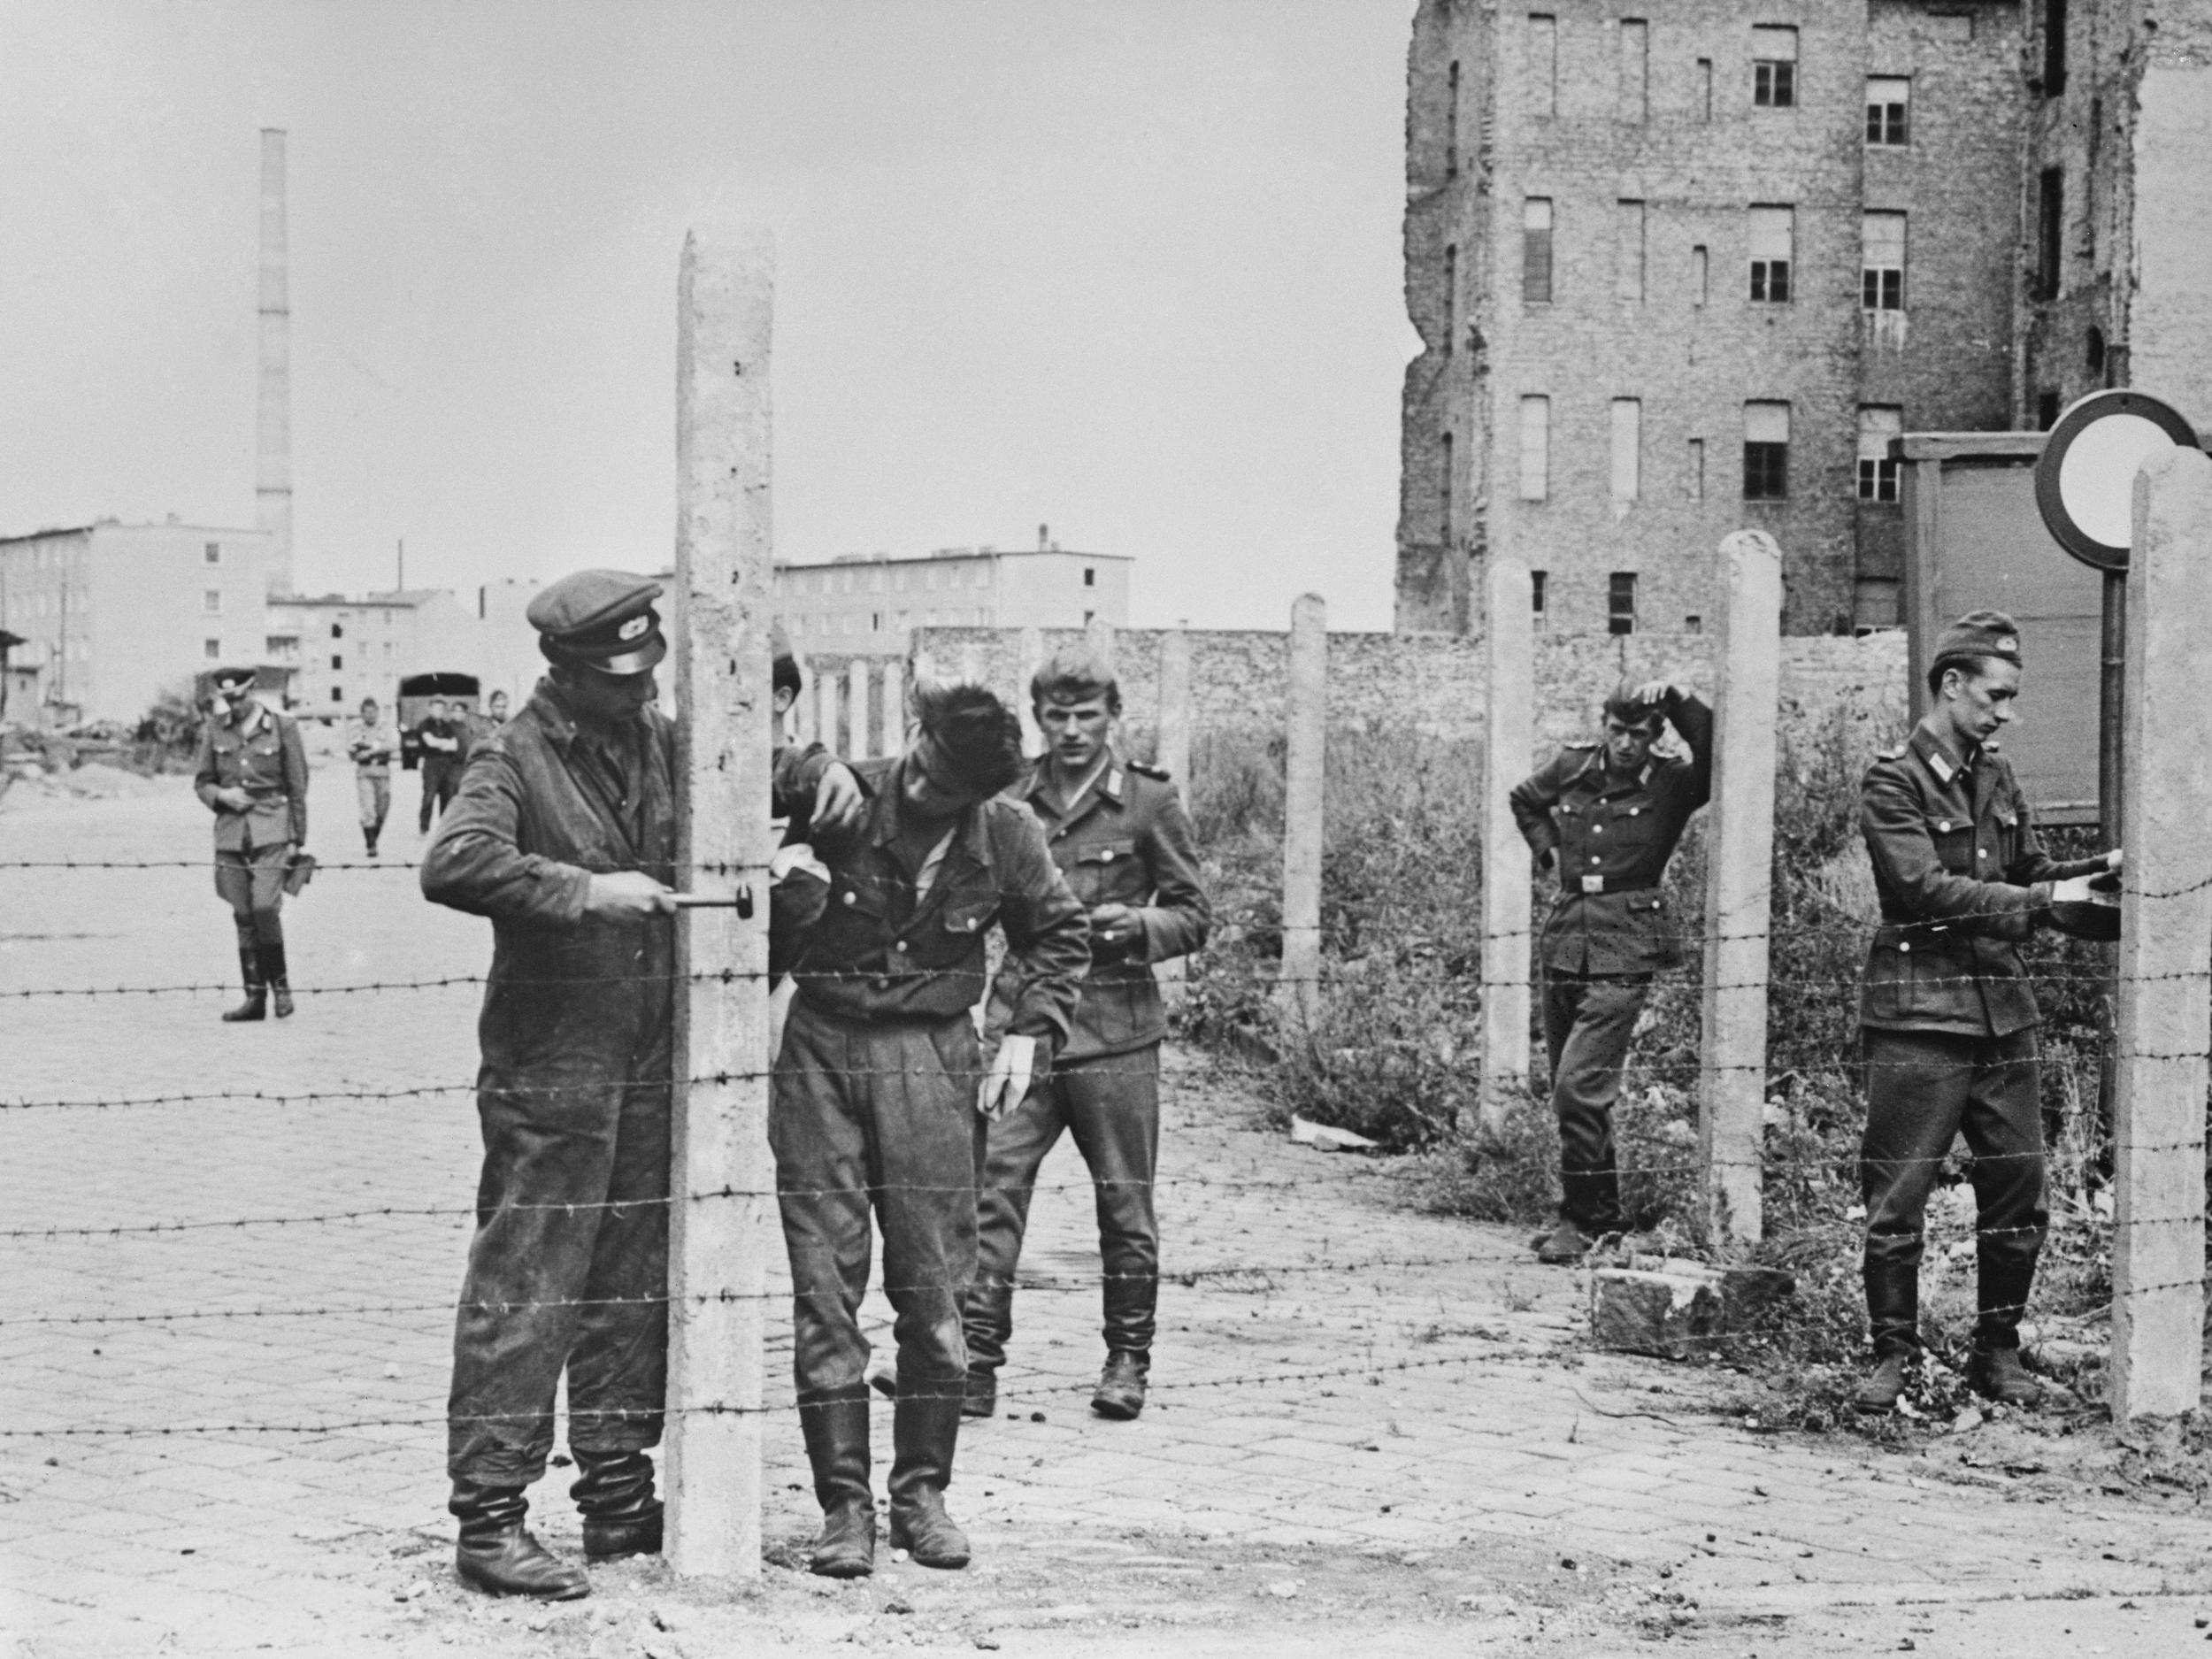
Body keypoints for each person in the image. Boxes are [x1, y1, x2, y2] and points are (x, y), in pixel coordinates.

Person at [421, 568, 861, 1599]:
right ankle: (489, 1519)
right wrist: (580, 891)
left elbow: (757, 770)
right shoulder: (511, 755)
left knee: (627, 1288)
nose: (639, 693)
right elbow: (454, 861)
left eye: (645, 673)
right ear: (562, 673)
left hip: (649, 1064)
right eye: (615, 680)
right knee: (528, 1288)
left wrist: (820, 770)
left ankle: (617, 1502)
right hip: (553, 1071)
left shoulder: (657, 741)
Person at [772, 683, 1089, 1579]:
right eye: (917, 765)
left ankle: (920, 1495)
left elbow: (1059, 937)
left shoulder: (1008, 836)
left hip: (932, 1057)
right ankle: (843, 1508)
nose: (918, 791)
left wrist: (1026, 1034)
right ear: (910, 736)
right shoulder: (843, 796)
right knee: (824, 1288)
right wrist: (803, 765)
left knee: (935, 1290)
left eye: (943, 787)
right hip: (823, 1051)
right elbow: (734, 770)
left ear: (978, 793)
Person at [1853, 611, 2119, 1414]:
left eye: (2011, 698)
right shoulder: (1893, 779)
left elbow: (2028, 866)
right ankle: (1893, 1354)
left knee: (2019, 1192)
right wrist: (2043, 901)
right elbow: (1923, 891)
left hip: (2003, 1012)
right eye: (1994, 696)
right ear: (1952, 684)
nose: (2004, 712)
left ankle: (1995, 1351)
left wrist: (2098, 869)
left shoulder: (1994, 774)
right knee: (1899, 1197)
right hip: (1920, 1014)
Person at [959, 645, 1210, 1423]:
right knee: (990, 1193)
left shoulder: (1147, 802)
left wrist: (1135, 924)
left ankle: (1127, 1360)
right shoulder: (1010, 798)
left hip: (1117, 1029)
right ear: (1036, 718)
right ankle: (972, 1361)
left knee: (1124, 1205)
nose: (1071, 730)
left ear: (1113, 715)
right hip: (1025, 1032)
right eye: (1057, 715)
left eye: (1087, 714)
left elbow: (1195, 913)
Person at [1509, 676, 1713, 1263]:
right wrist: (1547, 850)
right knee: (1570, 1088)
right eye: (1618, 730)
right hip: (1568, 932)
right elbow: (1524, 799)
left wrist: (1677, 698)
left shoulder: (1672, 783)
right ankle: (1581, 1213)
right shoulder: (1574, 767)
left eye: (1641, 734)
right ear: (1604, 726)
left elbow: (1719, 749)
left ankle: (1596, 1220)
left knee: (1579, 1084)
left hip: (1627, 938)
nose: (1627, 744)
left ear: (1656, 736)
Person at [193, 666, 309, 1022]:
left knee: (264, 908)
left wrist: (296, 839)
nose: (234, 704)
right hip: (230, 833)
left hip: (272, 828)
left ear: (253, 690)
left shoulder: (283, 726)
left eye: (240, 696)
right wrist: (222, 795)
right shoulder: (215, 729)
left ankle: (282, 988)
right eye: (228, 699)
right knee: (243, 916)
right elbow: (202, 782)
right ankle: (254, 999)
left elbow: (297, 786)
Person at [348, 695, 399, 857]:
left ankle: (373, 836)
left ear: (378, 712)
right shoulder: (356, 729)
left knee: (382, 809)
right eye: (366, 712)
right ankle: (371, 844)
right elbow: (351, 750)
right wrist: (358, 753)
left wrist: (371, 751)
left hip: (383, 772)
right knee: (368, 808)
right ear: (362, 714)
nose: (370, 715)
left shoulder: (386, 727)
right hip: (365, 773)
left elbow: (393, 745)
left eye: (373, 712)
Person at [417, 695, 465, 833]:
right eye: (437, 707)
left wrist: (439, 743)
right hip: (431, 764)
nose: (440, 711)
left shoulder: (447, 726)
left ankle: (444, 828)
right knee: (429, 797)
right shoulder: (425, 724)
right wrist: (444, 743)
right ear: (430, 709)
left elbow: (454, 746)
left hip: (447, 764)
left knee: (447, 796)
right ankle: (424, 827)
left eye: (442, 708)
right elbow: (429, 742)